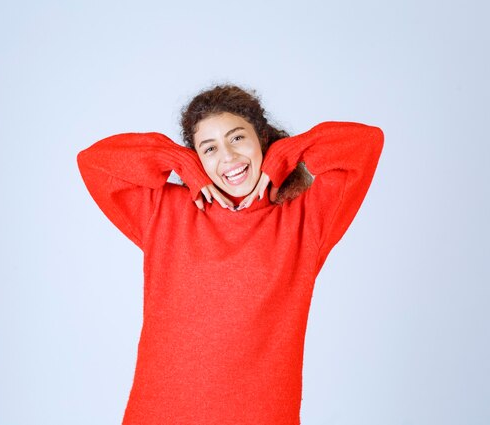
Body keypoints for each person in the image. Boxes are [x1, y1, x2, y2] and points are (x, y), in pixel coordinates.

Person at [76, 84, 384, 425]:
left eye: (237, 138)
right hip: (160, 415)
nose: (228, 157)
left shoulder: (304, 221)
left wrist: (286, 154)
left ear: (262, 139)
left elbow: (365, 143)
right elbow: (94, 163)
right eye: (209, 148)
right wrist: (177, 160)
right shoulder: (165, 212)